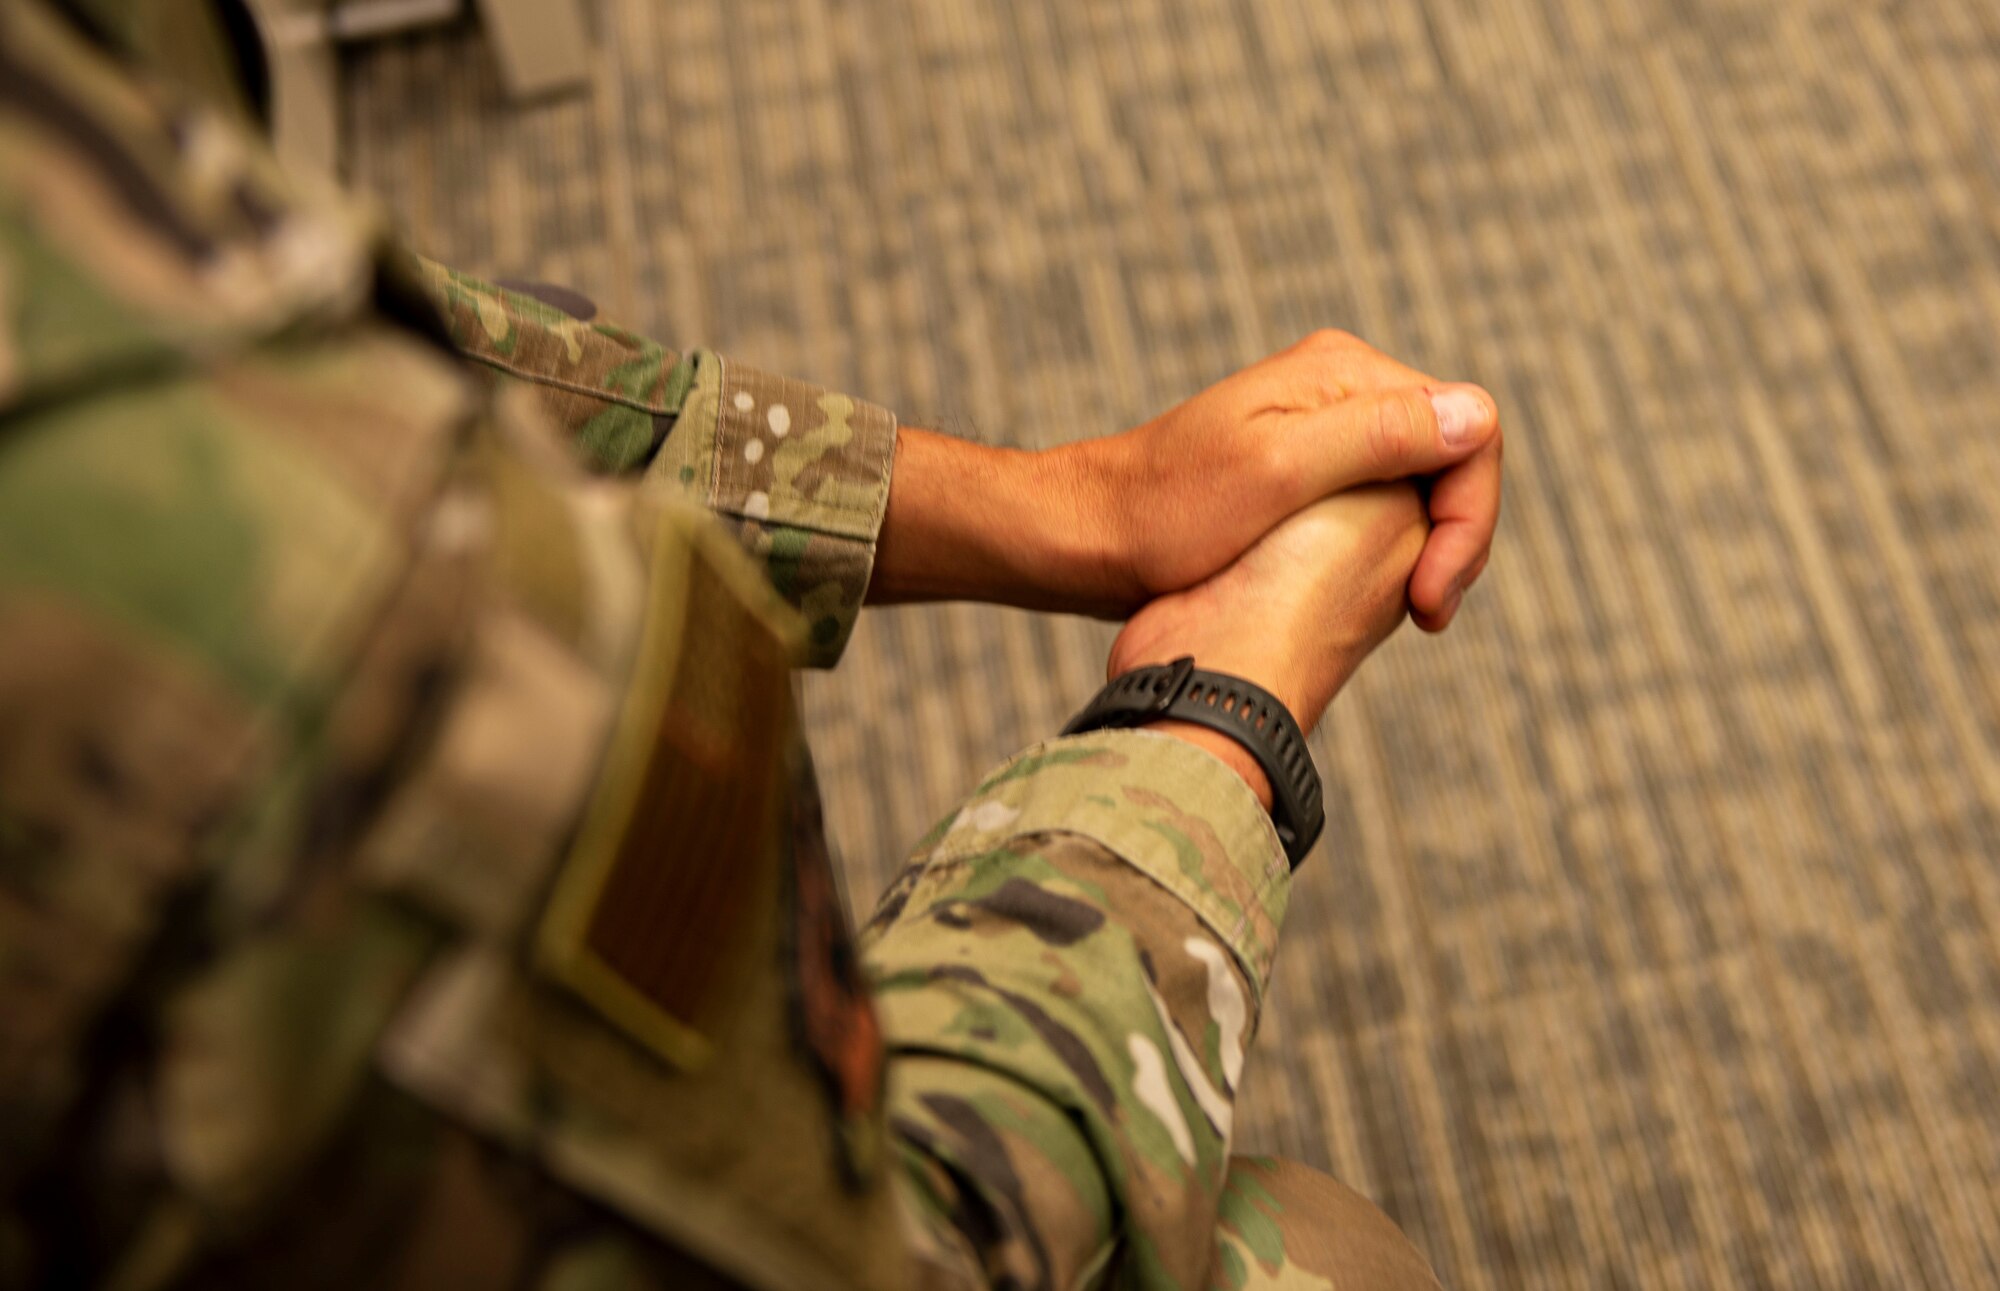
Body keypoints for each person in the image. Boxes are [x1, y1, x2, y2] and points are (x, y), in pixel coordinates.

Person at [0, 1, 1504, 1288]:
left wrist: (1076, 507)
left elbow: (352, 345)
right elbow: (870, 1250)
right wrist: (1218, 712)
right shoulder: (287, 623)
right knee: (1320, 1250)